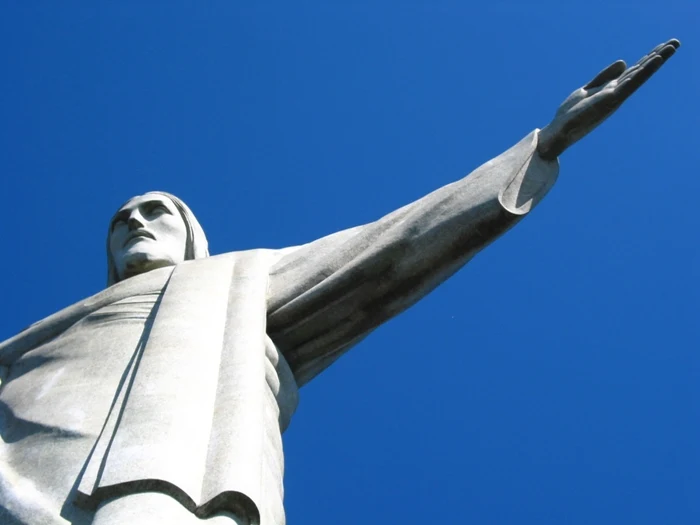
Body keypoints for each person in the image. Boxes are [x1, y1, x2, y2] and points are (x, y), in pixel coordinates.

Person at [0, 40, 679, 525]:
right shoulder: (28, 344)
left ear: (191, 236)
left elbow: (393, 247)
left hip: (156, 491)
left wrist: (542, 147)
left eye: (155, 213)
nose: (136, 224)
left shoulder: (231, 285)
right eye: (122, 220)